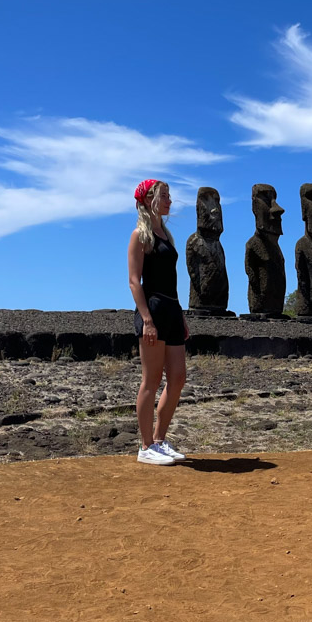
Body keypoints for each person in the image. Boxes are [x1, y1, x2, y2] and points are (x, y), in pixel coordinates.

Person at [128, 179, 191, 465]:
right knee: (151, 381)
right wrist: (146, 320)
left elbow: (173, 281)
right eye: (163, 195)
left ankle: (159, 440)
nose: (169, 200)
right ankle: (145, 447)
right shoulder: (139, 236)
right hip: (152, 309)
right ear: (148, 200)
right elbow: (134, 281)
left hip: (171, 309)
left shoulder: (165, 233)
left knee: (178, 377)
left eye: (168, 195)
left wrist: (180, 315)